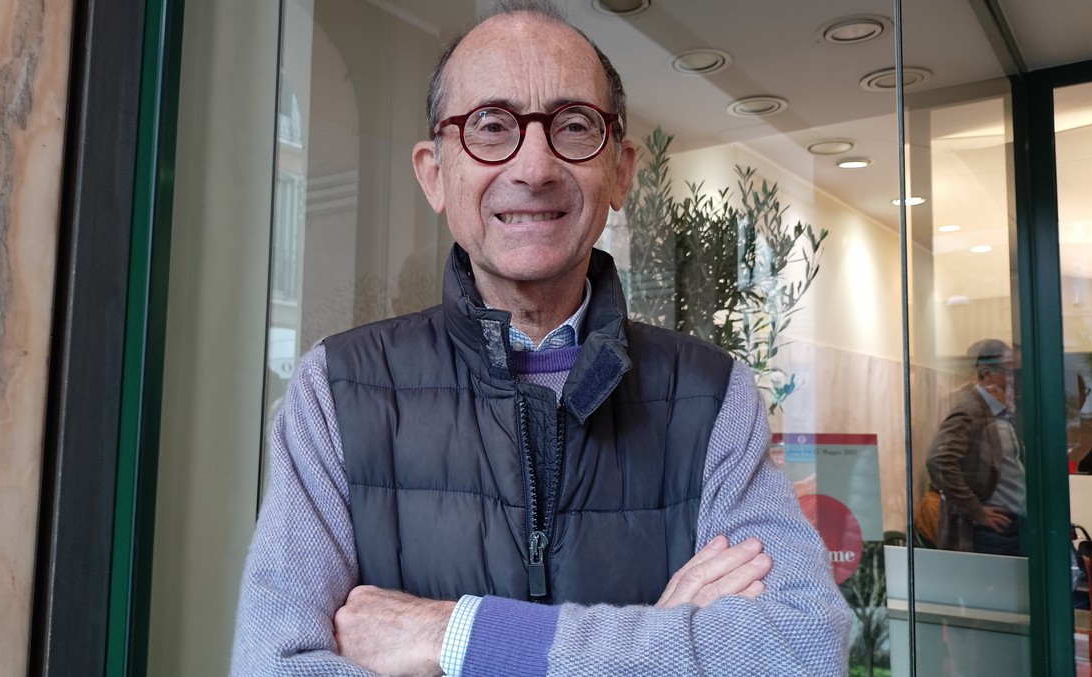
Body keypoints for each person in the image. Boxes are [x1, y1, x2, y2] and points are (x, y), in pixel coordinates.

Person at [231, 2, 849, 674]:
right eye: (491, 126)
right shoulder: (337, 390)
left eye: (574, 126)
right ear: (434, 173)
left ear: (620, 171)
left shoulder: (711, 395)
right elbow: (272, 664)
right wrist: (663, 639)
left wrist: (454, 635)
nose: (534, 166)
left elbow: (803, 648)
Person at [926, 338, 1024, 555]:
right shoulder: (971, 409)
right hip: (992, 533)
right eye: (1009, 373)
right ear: (987, 373)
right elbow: (938, 459)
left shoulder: (999, 410)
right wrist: (976, 511)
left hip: (1010, 528)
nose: (1015, 380)